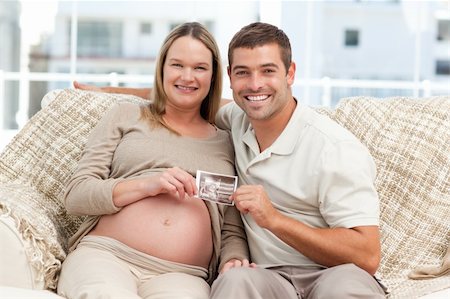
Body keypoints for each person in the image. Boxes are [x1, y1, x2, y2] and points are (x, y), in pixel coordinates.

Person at [75, 22, 386, 298]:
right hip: (266, 276)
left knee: (342, 289)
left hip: (332, 273)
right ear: (230, 79)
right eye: (243, 73)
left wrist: (273, 219)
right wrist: (104, 91)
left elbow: (367, 255)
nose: (254, 85)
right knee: (234, 283)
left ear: (290, 73)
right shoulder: (236, 121)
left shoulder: (334, 147)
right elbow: (181, 92)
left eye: (268, 71)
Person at [57, 22, 250, 299]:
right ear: (161, 69)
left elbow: (231, 226)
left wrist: (234, 259)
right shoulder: (125, 116)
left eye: (199, 68)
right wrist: (146, 185)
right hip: (108, 256)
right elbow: (77, 195)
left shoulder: (228, 140)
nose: (187, 76)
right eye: (177, 65)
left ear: (213, 76)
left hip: (182, 275)